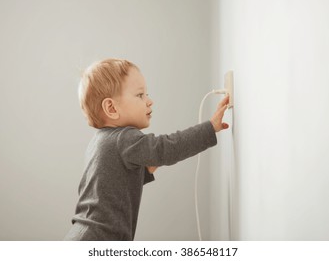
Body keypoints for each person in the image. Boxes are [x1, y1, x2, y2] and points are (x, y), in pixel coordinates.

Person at [64, 58, 229, 240]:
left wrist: (151, 164)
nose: (149, 101)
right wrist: (210, 127)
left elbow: (117, 183)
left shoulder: (100, 141)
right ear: (111, 108)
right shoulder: (124, 138)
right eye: (140, 95)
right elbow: (166, 148)